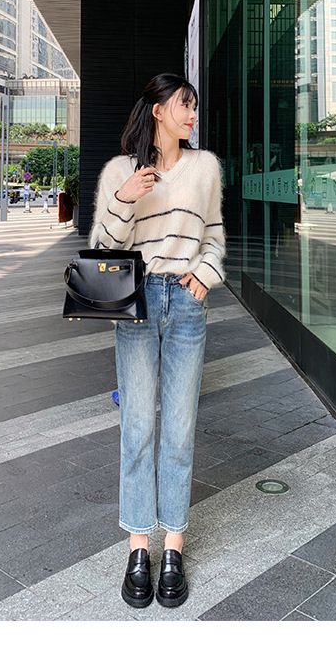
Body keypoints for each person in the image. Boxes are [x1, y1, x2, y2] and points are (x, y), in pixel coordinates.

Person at [89, 73, 225, 610]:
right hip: (137, 302)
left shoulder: (205, 166)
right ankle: (138, 548)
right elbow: (102, 246)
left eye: (194, 106)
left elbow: (213, 234)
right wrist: (123, 199)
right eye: (183, 105)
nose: (191, 114)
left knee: (180, 427)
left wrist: (205, 274)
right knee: (139, 425)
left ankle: (173, 548)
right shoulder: (119, 171)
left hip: (187, 302)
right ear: (157, 111)